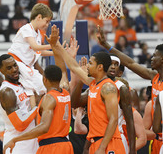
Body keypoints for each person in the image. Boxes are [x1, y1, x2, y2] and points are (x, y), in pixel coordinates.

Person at [96, 25, 163, 154]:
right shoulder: (154, 77)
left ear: (162, 59)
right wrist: (106, 45)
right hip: (158, 139)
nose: (151, 58)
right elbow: (130, 63)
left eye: (154, 56)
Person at [47, 25, 126, 154]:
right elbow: (74, 67)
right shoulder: (93, 83)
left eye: (91, 63)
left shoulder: (108, 87)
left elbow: (113, 119)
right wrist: (57, 45)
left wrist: (102, 147)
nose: (87, 66)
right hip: (96, 141)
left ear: (100, 67)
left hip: (109, 143)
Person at [4, 65, 74, 154]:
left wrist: (15, 139)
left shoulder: (49, 98)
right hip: (66, 145)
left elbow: (44, 127)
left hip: (51, 147)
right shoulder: (66, 93)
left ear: (44, 79)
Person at [8, 3, 53, 97]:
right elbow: (35, 47)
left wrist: (56, 52)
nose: (47, 24)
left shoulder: (38, 33)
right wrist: (52, 45)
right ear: (39, 17)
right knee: (39, 87)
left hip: (26, 65)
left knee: (38, 88)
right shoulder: (27, 28)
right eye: (47, 21)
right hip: (16, 61)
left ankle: (35, 110)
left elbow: (40, 52)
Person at [0, 54, 38, 154]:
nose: (14, 69)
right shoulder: (7, 92)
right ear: (2, 71)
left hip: (31, 141)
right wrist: (37, 109)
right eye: (9, 68)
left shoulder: (22, 83)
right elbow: (20, 125)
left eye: (15, 65)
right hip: (16, 145)